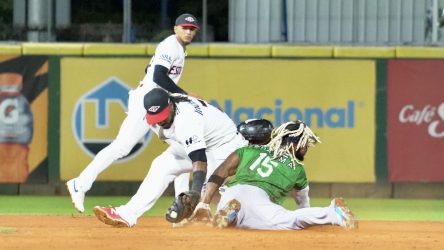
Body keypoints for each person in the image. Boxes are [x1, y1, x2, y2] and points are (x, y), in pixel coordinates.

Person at [66, 14, 200, 213]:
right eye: (184, 27)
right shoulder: (171, 45)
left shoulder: (177, 48)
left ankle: (183, 205)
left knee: (181, 145)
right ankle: (80, 184)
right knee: (122, 147)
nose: (188, 31)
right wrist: (184, 95)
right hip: (147, 102)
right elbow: (158, 75)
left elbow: (151, 69)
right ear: (175, 29)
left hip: (155, 101)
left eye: (192, 28)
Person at [92, 88, 248, 227]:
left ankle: (241, 211)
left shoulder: (186, 120)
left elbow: (199, 158)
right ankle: (127, 214)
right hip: (207, 141)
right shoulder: (165, 104)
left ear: (171, 105)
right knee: (161, 164)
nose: (160, 120)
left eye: (163, 115)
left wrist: (193, 192)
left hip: (225, 145)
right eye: (156, 117)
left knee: (204, 188)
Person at [190, 120, 358, 230]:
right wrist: (309, 220)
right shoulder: (297, 169)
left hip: (232, 193)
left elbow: (220, 172)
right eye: (304, 144)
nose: (306, 148)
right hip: (260, 198)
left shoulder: (249, 149)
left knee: (240, 222)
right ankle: (332, 213)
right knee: (289, 219)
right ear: (294, 144)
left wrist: (204, 203)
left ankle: (231, 215)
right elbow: (303, 206)